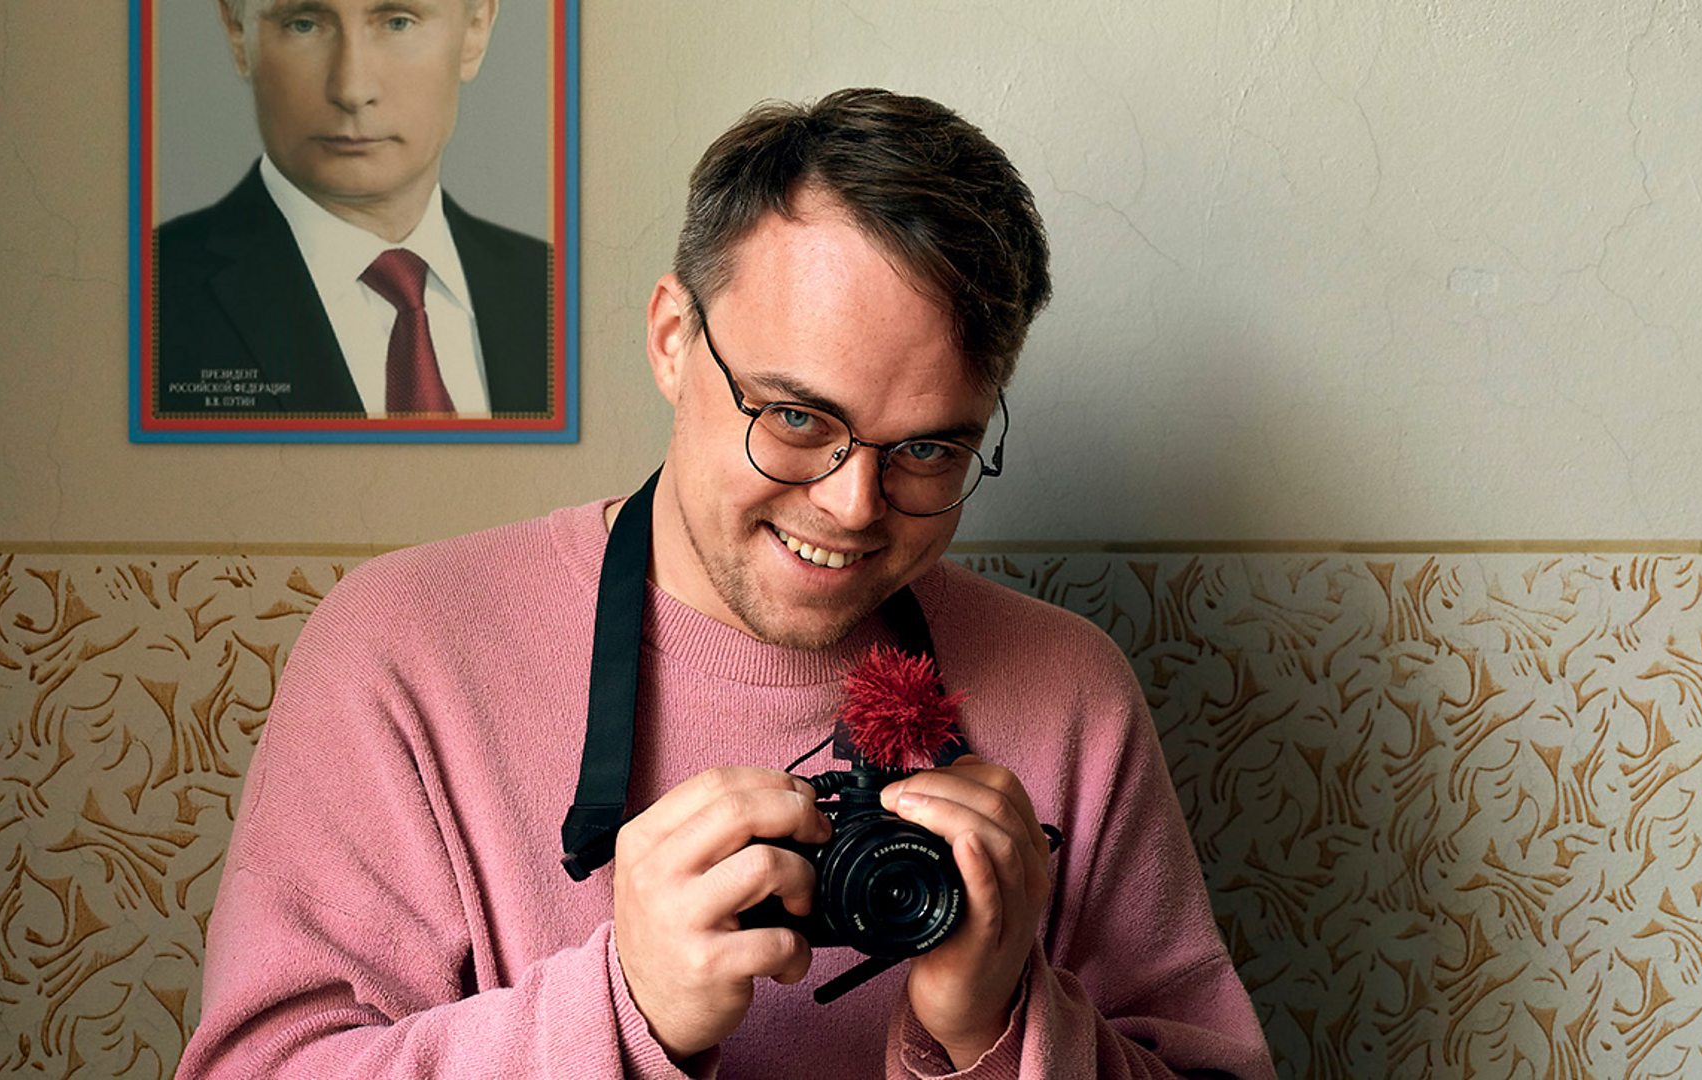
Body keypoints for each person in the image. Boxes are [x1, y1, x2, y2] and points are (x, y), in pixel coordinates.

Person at [177, 89, 1275, 1077]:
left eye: (928, 450)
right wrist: (624, 1011)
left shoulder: (1072, 691)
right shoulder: (400, 651)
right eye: (795, 417)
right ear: (671, 339)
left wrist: (999, 1026)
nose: (853, 505)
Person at [154, 0, 551, 419]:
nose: (351, 90)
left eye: (398, 23)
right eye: (303, 24)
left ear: (476, 27)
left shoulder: (566, 298)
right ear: (237, 34)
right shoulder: (136, 305)